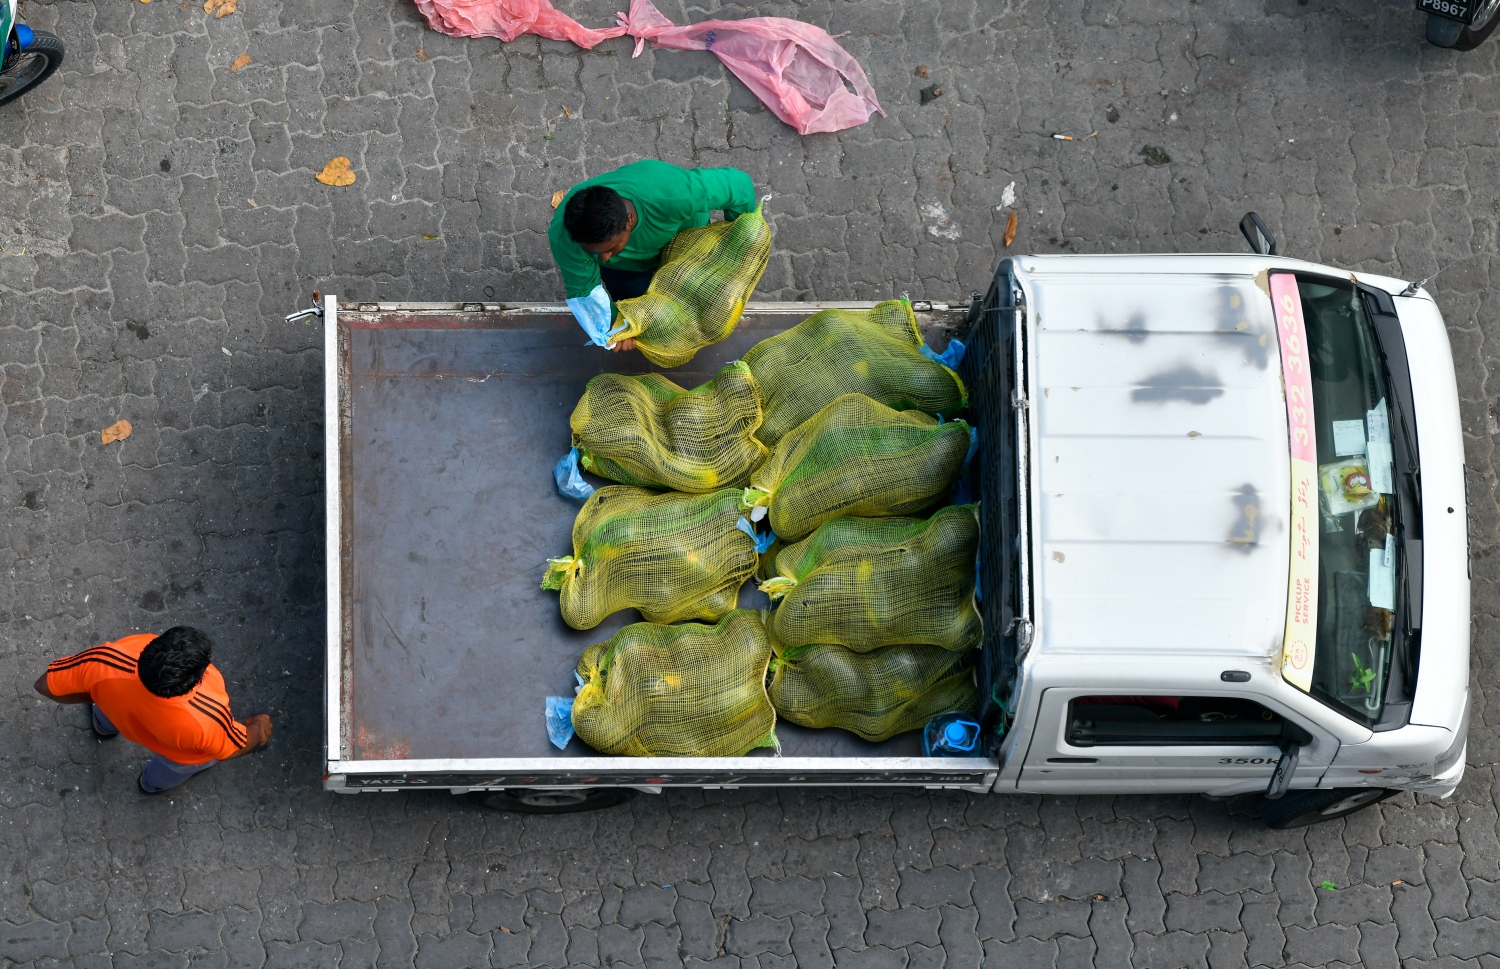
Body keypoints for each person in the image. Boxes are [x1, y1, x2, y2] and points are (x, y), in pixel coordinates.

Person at [35, 627, 272, 794]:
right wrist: (259, 730)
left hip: (114, 709)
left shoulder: (107, 661)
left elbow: (45, 685)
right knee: (171, 770)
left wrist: (95, 696)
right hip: (176, 753)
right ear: (196, 679)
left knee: (104, 712)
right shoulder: (206, 717)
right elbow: (231, 747)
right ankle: (150, 785)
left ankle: (103, 728)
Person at [550, 159, 757, 351]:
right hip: (627, 270)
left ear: (629, 220)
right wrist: (616, 327)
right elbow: (585, 291)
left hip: (687, 244)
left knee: (703, 301)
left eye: (611, 248)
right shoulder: (566, 235)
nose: (605, 258)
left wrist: (735, 249)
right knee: (649, 317)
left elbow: (739, 187)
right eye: (595, 253)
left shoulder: (673, 194)